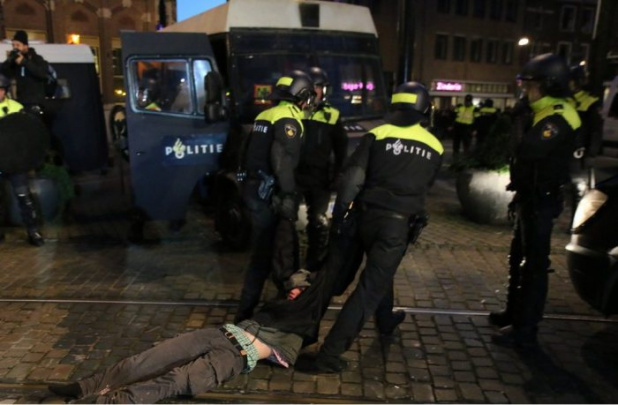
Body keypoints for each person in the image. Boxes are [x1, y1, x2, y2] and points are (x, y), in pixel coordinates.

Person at [305, 82, 444, 373]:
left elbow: (352, 180)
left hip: (363, 218)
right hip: (397, 227)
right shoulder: (435, 146)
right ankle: (329, 354)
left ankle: (382, 319)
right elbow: (426, 186)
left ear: (394, 106)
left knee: (344, 278)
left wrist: (339, 219)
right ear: (425, 110)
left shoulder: (377, 134)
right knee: (370, 287)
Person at [489, 53, 581, 348]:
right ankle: (513, 313)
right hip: (529, 195)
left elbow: (528, 149)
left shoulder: (559, 115)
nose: (526, 92)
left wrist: (518, 119)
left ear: (548, 85)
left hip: (542, 199)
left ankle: (526, 329)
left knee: (534, 266)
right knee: (518, 259)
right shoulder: (542, 111)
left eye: (530, 86)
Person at [235, 70, 316, 323]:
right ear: (301, 96)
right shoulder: (288, 119)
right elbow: (282, 161)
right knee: (277, 254)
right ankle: (271, 315)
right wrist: (289, 194)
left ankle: (250, 312)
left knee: (267, 253)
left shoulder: (265, 115)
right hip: (270, 196)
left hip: (255, 191)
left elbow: (245, 151)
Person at [296, 67, 348, 272]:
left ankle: (314, 264)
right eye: (312, 87)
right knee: (285, 220)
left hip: (319, 177)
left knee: (318, 221)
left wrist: (337, 174)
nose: (315, 91)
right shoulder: (295, 111)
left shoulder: (332, 115)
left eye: (318, 87)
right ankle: (287, 263)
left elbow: (341, 148)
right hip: (294, 175)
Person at [0, 73, 45, 246]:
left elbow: (27, 136)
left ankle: (33, 232)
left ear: (5, 91)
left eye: (0, 89)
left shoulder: (16, 107)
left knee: (24, 197)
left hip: (16, 162)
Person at [566, 64, 603, 228]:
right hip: (563, 151)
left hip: (579, 154)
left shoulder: (590, 102)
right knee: (563, 188)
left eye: (571, 81)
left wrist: (591, 154)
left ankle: (577, 223)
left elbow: (595, 131)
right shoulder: (564, 101)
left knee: (579, 190)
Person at [0, 30, 49, 113]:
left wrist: (24, 62)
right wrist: (9, 60)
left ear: (25, 46)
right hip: (21, 101)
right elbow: (4, 73)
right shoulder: (15, 61)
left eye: (18, 45)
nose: (15, 48)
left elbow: (42, 73)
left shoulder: (36, 58)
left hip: (35, 102)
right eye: (13, 45)